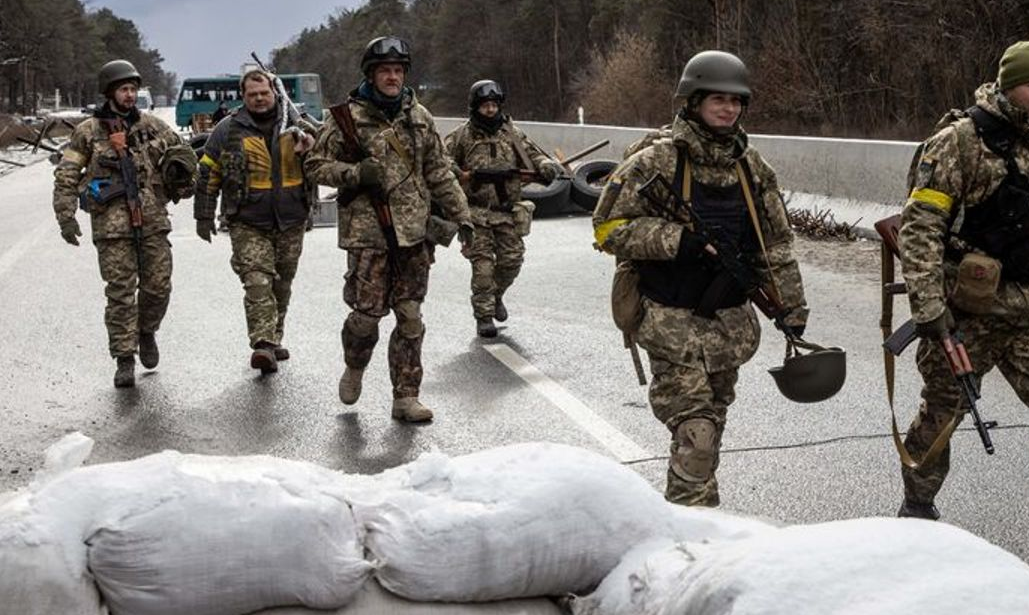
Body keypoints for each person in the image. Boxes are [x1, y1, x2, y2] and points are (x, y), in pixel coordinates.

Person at [592, 50, 808, 507]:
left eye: (736, 101)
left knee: (712, 427)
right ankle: (693, 535)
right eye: (717, 99)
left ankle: (693, 517)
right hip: (670, 322)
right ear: (692, 101)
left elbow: (777, 245)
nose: (728, 109)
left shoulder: (752, 168)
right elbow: (607, 228)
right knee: (698, 436)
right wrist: (676, 240)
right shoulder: (656, 162)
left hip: (727, 326)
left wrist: (792, 308)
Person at [304, 36, 472, 422]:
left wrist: (462, 216)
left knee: (410, 316)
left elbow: (439, 171)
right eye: (386, 71)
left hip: (413, 233)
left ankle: (405, 397)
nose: (393, 77)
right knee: (366, 317)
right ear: (371, 74)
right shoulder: (347, 117)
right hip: (368, 234)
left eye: (398, 71)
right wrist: (354, 174)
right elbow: (314, 165)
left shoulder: (419, 117)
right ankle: (355, 364)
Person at [896, 41, 1029, 520]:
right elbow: (921, 227)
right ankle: (916, 509)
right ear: (1012, 86)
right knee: (941, 416)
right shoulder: (960, 141)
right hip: (968, 313)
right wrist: (929, 306)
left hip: (1026, 310)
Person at [52, 59, 196, 388]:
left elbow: (184, 156)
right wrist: (65, 215)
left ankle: (146, 331)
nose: (130, 95)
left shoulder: (152, 125)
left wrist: (183, 180)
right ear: (110, 92)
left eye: (133, 89)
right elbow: (67, 174)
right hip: (112, 226)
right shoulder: (88, 132)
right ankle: (124, 358)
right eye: (124, 89)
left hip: (152, 220)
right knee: (119, 293)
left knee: (158, 287)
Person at [193, 69, 317, 374]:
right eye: (252, 95)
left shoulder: (296, 124)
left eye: (264, 93)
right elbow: (209, 172)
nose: (259, 99)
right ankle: (262, 344)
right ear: (243, 97)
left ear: (274, 93)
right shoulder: (228, 129)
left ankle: (274, 336)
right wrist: (204, 214)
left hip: (291, 217)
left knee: (282, 284)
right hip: (247, 220)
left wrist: (312, 143)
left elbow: (327, 149)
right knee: (257, 282)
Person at [444, 80, 563, 337]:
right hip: (475, 213)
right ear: (475, 107)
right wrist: (460, 173)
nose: (490, 110)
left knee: (512, 261)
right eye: (485, 105)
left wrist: (545, 166)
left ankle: (496, 296)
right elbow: (442, 160)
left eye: (494, 105)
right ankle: (484, 316)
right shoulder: (462, 135)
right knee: (483, 267)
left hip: (506, 212)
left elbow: (533, 154)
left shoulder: (512, 133)